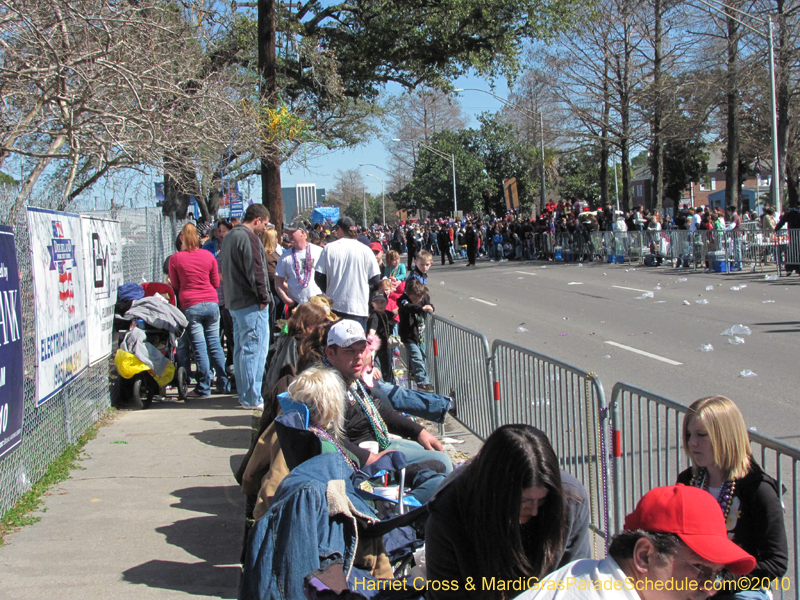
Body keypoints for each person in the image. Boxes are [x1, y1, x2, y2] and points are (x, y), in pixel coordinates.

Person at [425, 425, 591, 600]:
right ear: (495, 493)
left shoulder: (571, 501)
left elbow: (575, 582)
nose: (534, 511)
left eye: (542, 500)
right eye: (525, 501)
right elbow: (446, 594)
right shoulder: (448, 511)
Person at [519, 484, 756, 600]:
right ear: (644, 556)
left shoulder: (586, 573)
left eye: (716, 574)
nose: (710, 589)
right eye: (700, 569)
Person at [677, 396, 787, 598]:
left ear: (726, 437)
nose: (692, 442)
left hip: (743, 588)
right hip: (691, 583)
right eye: (688, 434)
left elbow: (776, 562)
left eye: (702, 434)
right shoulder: (687, 481)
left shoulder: (758, 489)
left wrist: (720, 581)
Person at [323, 320, 451, 480]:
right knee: (442, 464)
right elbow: (328, 436)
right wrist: (369, 458)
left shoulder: (351, 377)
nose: (358, 357)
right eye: (349, 351)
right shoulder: (324, 387)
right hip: (365, 464)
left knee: (436, 452)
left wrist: (418, 431)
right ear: (330, 353)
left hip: (381, 444)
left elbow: (378, 410)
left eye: (362, 349)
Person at [218, 203, 272, 410]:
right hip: (251, 303)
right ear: (257, 220)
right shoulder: (249, 238)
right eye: (264, 224)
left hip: (235, 302)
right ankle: (252, 397)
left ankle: (245, 394)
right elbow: (256, 271)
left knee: (242, 350)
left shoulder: (229, 236)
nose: (264, 228)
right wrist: (264, 298)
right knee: (254, 351)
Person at [168, 223, 230, 397]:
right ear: (197, 237)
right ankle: (223, 383)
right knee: (215, 343)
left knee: (199, 346)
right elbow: (215, 282)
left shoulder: (175, 259)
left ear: (181, 238)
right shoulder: (208, 256)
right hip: (211, 302)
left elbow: (175, 285)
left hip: (190, 304)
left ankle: (204, 386)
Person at [314, 216, 381, 329]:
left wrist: (329, 289)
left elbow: (319, 276)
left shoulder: (329, 248)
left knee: (335, 339)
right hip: (358, 306)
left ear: (340, 230)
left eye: (336, 230)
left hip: (335, 306)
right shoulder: (366, 250)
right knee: (356, 339)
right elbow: (375, 279)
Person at [274, 218, 323, 309]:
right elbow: (278, 282)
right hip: (296, 305)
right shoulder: (285, 257)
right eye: (288, 232)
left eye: (292, 232)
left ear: (302, 233)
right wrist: (287, 300)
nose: (289, 235)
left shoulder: (319, 251)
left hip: (317, 303)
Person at [398, 278, 433, 391]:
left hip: (420, 334)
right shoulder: (403, 300)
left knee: (422, 356)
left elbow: (429, 305)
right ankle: (423, 381)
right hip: (408, 335)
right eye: (414, 299)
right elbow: (409, 307)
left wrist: (430, 307)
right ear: (408, 294)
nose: (418, 301)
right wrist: (421, 308)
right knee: (416, 356)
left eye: (420, 299)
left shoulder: (424, 298)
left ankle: (415, 372)